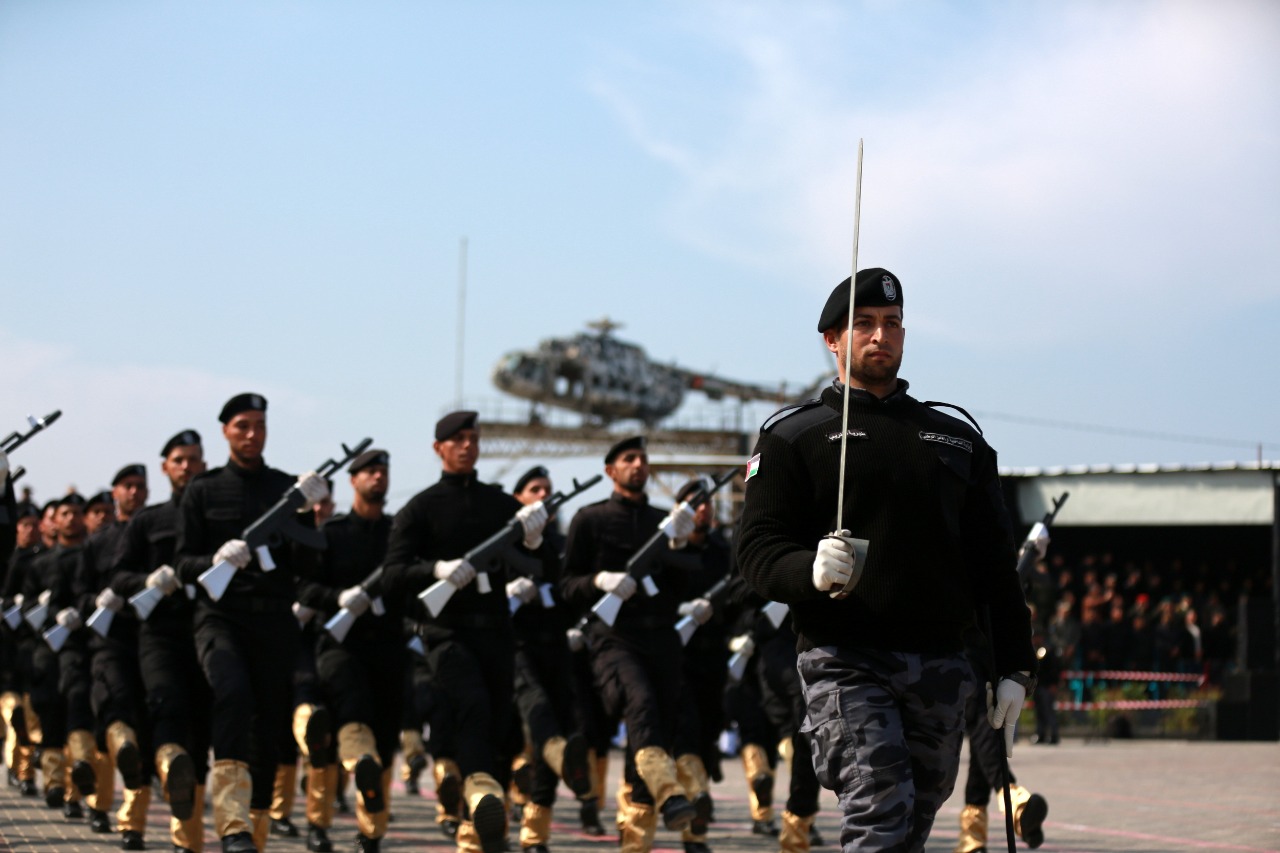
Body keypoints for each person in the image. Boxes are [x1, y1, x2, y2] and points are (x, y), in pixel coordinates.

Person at [736, 268, 1036, 850]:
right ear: (832, 339)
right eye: (865, 324)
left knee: (913, 819)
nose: (880, 336)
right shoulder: (793, 437)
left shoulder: (957, 441)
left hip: (941, 664)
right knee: (878, 807)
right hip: (845, 657)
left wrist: (1015, 667)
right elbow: (757, 548)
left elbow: (993, 564)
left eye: (892, 324)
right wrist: (809, 569)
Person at [382, 411, 550, 853]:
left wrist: (533, 539)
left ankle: (480, 829)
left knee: (496, 722)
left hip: (495, 631)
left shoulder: (499, 504)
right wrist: (434, 569)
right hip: (445, 633)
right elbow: (393, 575)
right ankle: (480, 801)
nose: (467, 446)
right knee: (471, 706)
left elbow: (546, 561)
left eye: (473, 439)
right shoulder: (420, 508)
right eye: (457, 440)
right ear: (439, 448)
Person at [174, 393, 331, 853]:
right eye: (242, 425)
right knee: (232, 694)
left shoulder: (285, 488)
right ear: (225, 430)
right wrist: (214, 559)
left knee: (268, 728)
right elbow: (182, 563)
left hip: (274, 623)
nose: (251, 434)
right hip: (220, 619)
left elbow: (310, 565)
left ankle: (254, 833)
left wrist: (308, 514)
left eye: (259, 425)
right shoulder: (202, 490)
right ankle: (231, 823)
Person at [559, 435, 701, 853]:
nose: (638, 464)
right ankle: (669, 793)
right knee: (640, 705)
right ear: (610, 471)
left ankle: (635, 841)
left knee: (655, 728)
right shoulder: (590, 519)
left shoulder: (664, 521)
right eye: (628, 458)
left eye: (642, 458)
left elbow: (686, 580)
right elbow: (566, 585)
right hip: (614, 638)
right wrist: (598, 581)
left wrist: (678, 542)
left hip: (662, 637)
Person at [110, 429, 210, 853]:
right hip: (159, 635)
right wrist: (147, 581)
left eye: (193, 459)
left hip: (205, 630)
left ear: (204, 464)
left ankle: (187, 840)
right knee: (165, 707)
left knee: (201, 731)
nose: (186, 466)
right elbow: (119, 575)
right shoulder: (148, 521)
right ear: (165, 467)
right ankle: (160, 791)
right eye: (178, 460)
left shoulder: (213, 517)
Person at [296, 448, 401, 853]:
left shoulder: (397, 536)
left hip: (389, 647)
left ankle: (371, 831)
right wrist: (342, 598)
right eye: (369, 471)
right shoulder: (333, 534)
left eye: (383, 471)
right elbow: (305, 587)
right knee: (343, 724)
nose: (378, 477)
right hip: (341, 647)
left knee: (386, 738)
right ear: (354, 480)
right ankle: (318, 822)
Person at [506, 465, 593, 853]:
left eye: (548, 490)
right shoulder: (503, 543)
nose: (543, 496)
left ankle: (535, 835)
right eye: (534, 489)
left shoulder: (563, 547)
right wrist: (507, 592)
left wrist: (577, 624)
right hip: (515, 645)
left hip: (556, 645)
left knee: (554, 727)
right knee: (539, 716)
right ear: (518, 499)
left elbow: (574, 591)